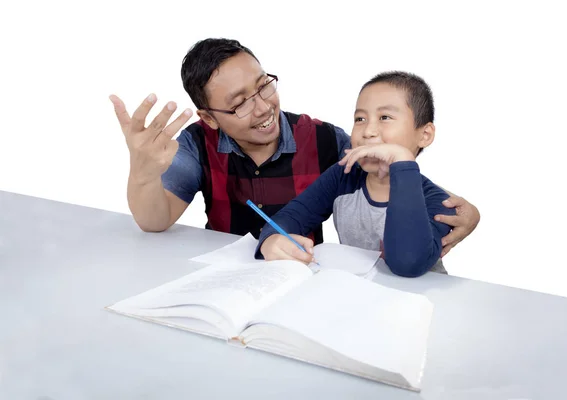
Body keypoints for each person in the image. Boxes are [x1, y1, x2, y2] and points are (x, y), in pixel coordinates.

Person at [109, 38, 479, 256]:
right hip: (221, 275)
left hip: (302, 275)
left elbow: (384, 171)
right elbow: (153, 222)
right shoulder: (195, 143)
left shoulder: (323, 139)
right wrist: (141, 170)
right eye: (239, 103)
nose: (262, 107)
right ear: (210, 118)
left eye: (264, 85)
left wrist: (461, 208)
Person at [258, 71, 453, 277]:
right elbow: (292, 216)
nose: (367, 131)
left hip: (420, 301)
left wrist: (402, 161)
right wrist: (271, 238)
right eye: (360, 118)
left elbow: (407, 264)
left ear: (424, 135)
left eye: (385, 117)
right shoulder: (343, 176)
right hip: (360, 296)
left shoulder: (439, 202)